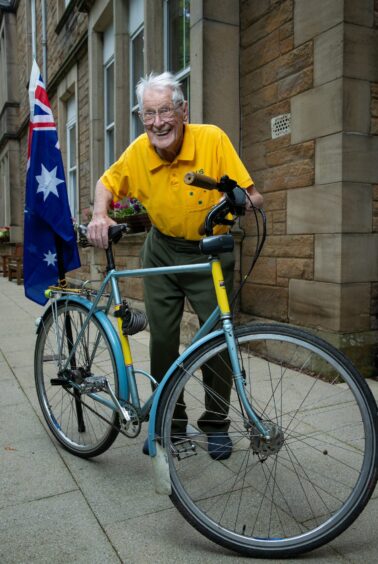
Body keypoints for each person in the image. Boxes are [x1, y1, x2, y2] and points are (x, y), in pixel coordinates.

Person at [87, 72, 263, 460]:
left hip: (210, 254)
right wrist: (100, 214)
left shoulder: (212, 139)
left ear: (183, 110)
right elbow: (107, 182)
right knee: (164, 341)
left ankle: (216, 424)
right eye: (148, 114)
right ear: (141, 117)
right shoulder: (138, 151)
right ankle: (170, 421)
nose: (157, 122)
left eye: (165, 110)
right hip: (163, 252)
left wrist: (238, 202)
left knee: (216, 340)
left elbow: (253, 195)